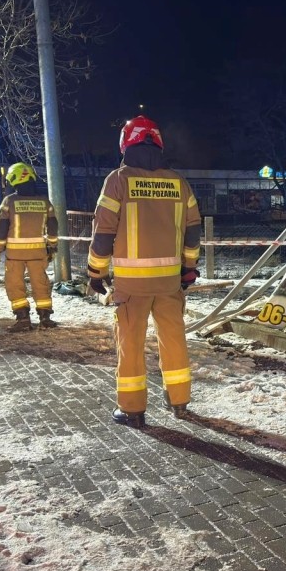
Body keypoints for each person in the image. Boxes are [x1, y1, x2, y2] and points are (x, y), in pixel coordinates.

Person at [87, 114, 202, 428]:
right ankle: (179, 401)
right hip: (169, 283)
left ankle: (133, 409)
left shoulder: (118, 180)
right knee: (174, 340)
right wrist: (188, 269)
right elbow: (193, 232)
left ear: (127, 143)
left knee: (131, 346)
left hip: (131, 287)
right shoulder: (179, 182)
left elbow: (103, 233)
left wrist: (95, 273)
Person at [0, 162, 60, 332]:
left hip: (15, 255)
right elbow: (53, 226)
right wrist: (52, 247)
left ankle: (23, 319)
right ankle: (45, 318)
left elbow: (1, 229)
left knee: (15, 285)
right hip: (38, 253)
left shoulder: (9, 201)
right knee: (41, 283)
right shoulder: (44, 202)